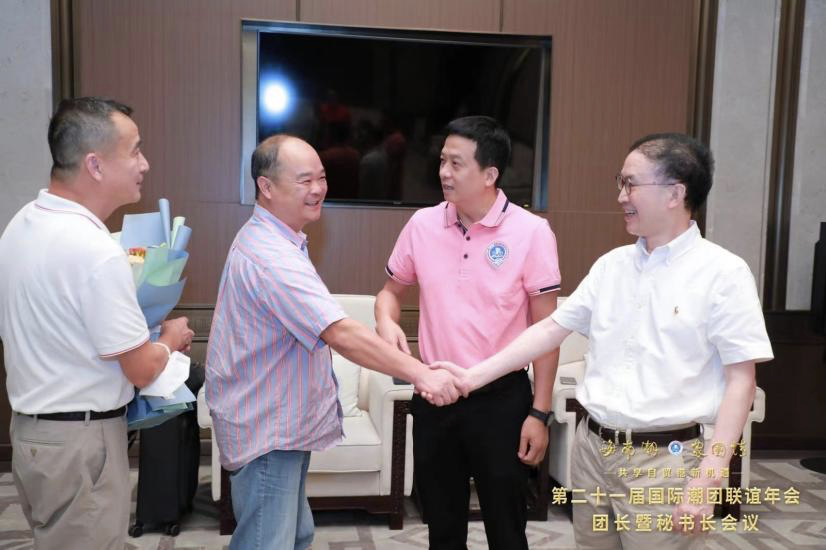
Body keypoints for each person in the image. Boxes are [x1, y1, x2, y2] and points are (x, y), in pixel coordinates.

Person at [435, 133, 774, 549]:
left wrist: (710, 475)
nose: (620, 196)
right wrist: (471, 377)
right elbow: (549, 330)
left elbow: (741, 381)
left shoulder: (723, 274)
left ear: (675, 193)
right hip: (593, 452)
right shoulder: (611, 266)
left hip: (664, 461)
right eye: (620, 182)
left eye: (631, 184)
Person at [205, 134, 468, 550]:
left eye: (322, 177)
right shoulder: (271, 256)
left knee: (295, 536)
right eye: (304, 180)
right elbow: (340, 332)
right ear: (266, 186)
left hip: (277, 426)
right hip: (267, 431)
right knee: (267, 542)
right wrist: (421, 373)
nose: (318, 189)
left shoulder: (280, 240)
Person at [0, 97, 194, 550]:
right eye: (135, 150)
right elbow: (140, 369)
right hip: (79, 445)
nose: (144, 164)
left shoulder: (21, 224)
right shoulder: (95, 251)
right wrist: (169, 338)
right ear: (95, 164)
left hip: (33, 433)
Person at [375, 115, 562, 550]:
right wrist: (385, 320)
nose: (443, 172)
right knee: (441, 528)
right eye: (442, 160)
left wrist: (539, 414)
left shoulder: (532, 232)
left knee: (507, 530)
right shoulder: (422, 225)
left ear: (490, 174)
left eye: (456, 163)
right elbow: (389, 292)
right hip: (435, 396)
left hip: (501, 402)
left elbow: (547, 331)